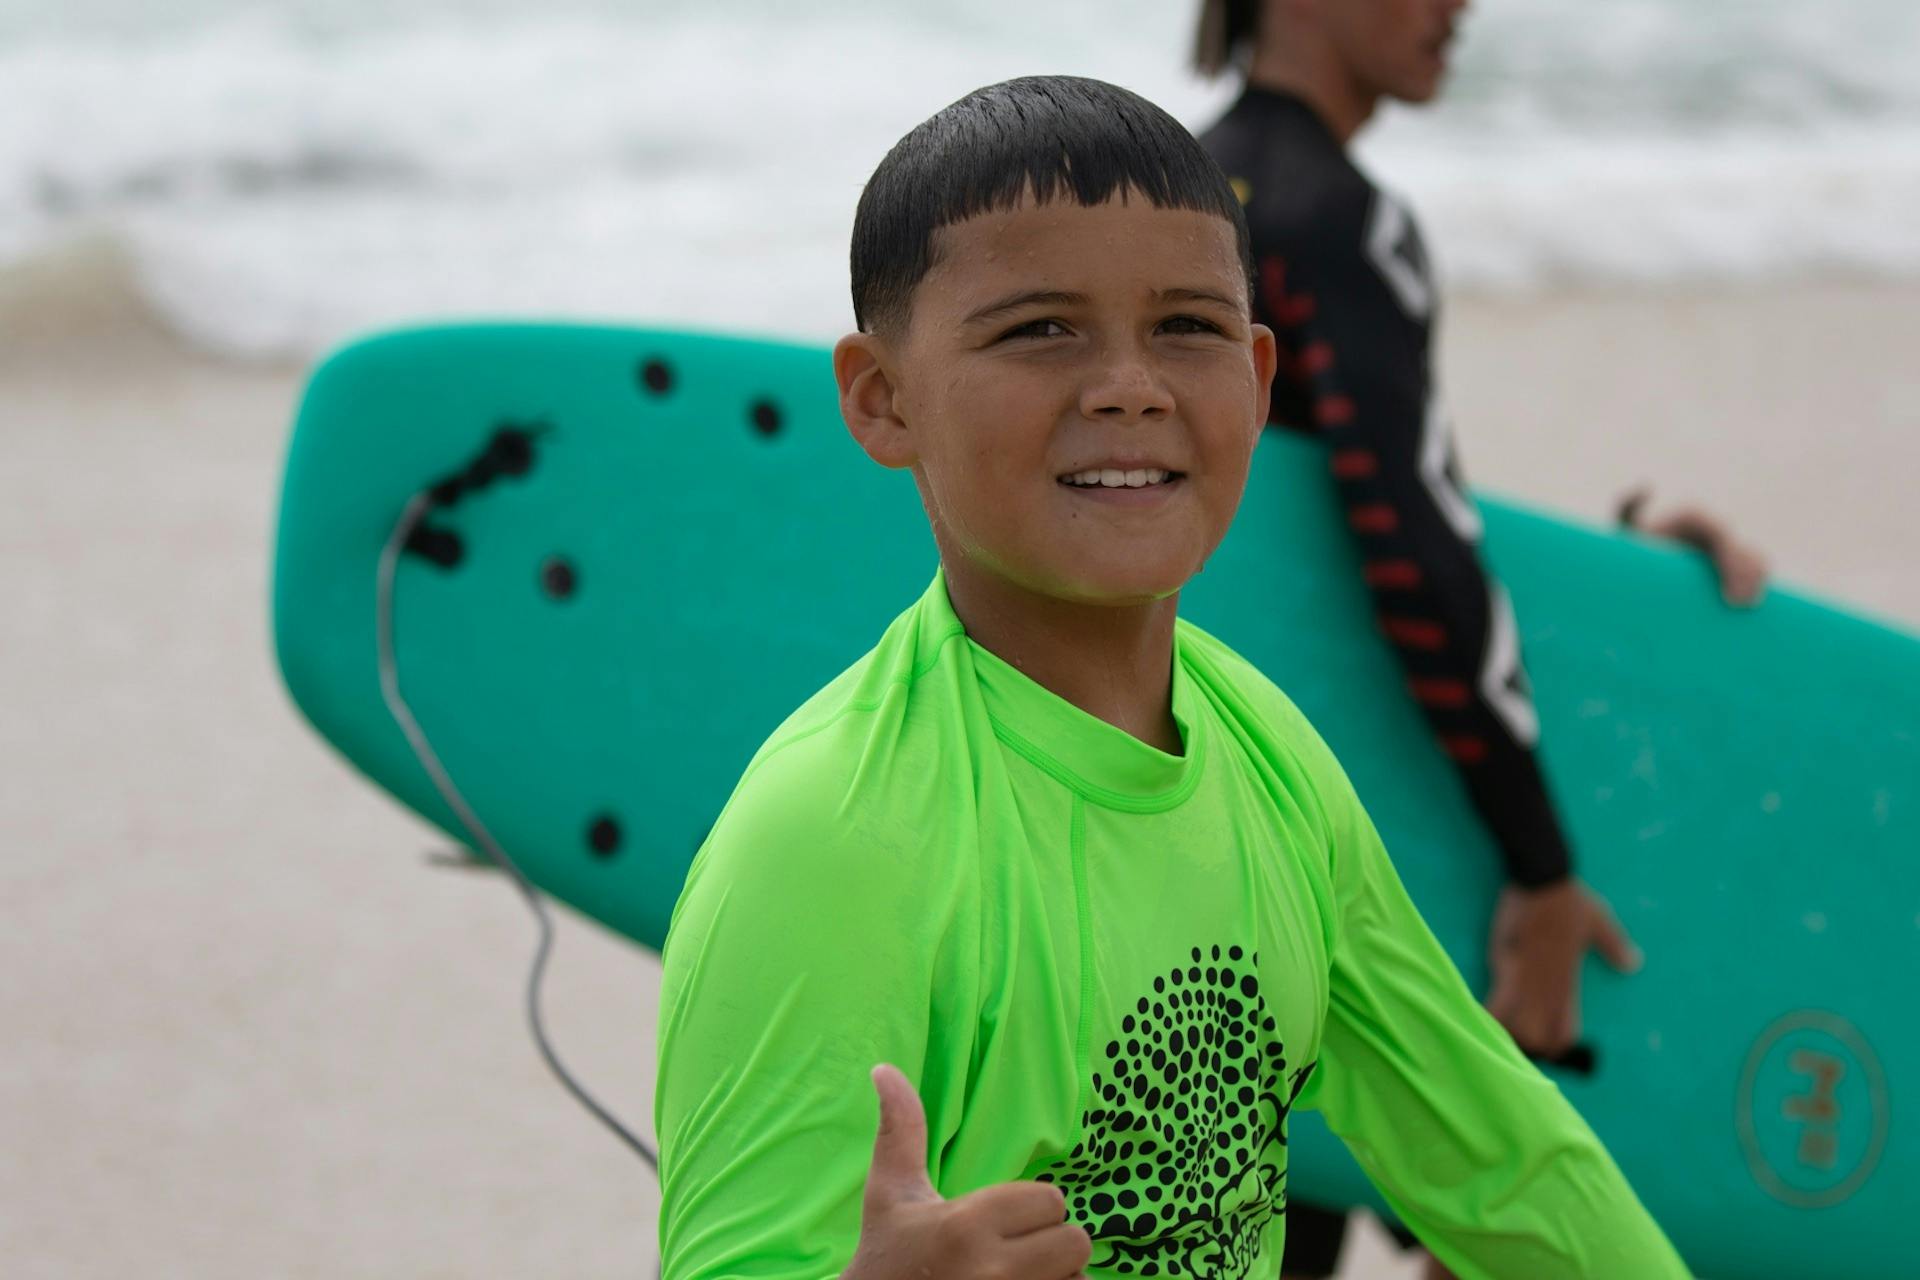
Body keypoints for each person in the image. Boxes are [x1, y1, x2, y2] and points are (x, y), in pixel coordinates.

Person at [654, 74, 1689, 1280]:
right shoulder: (828, 838)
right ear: (883, 400)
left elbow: (1498, 1154)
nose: (1130, 385)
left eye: (1187, 328)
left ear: (1257, 384)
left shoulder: (1269, 755)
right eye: (1040, 328)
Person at [1194, 2, 1765, 1275]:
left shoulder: (1167, 201)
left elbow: (1288, 558)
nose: (1462, 5)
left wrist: (1621, 582)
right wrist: (1542, 865)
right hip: (1334, 856)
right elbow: (1407, 553)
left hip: (1185, 842)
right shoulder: (1340, 222)